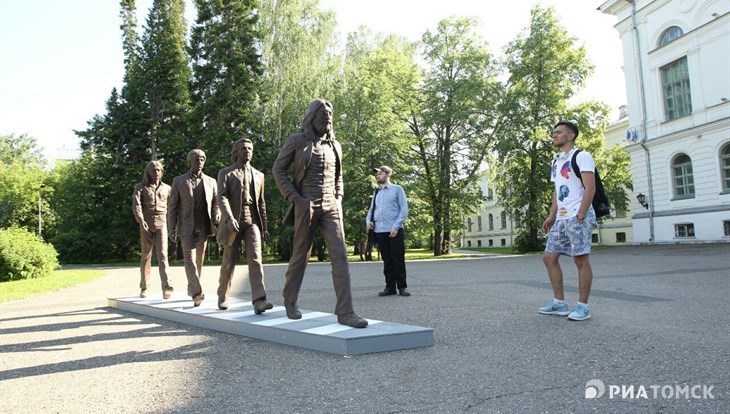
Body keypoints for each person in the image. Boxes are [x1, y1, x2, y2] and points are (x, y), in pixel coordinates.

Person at [273, 99, 368, 328]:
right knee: (300, 255)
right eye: (322, 115)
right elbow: (278, 170)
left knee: (340, 256)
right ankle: (290, 300)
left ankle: (345, 312)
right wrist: (296, 198)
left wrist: (339, 198)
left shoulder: (336, 145)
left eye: (330, 115)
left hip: (331, 205)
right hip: (306, 202)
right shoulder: (297, 141)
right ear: (311, 117)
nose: (327, 118)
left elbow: (339, 176)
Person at [539, 120, 596, 321]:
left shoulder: (582, 156)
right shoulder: (556, 161)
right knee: (549, 257)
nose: (553, 136)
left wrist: (581, 215)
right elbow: (557, 192)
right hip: (562, 217)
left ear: (570, 136)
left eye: (558, 132)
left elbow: (590, 188)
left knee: (580, 260)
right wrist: (552, 215)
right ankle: (559, 303)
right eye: (553, 132)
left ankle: (583, 307)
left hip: (578, 215)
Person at [216, 138, 273, 314]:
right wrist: (228, 217)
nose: (247, 150)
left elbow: (261, 203)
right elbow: (221, 197)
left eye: (249, 148)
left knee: (256, 259)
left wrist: (264, 227)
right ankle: (223, 296)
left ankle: (259, 300)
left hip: (252, 221)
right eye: (243, 148)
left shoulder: (259, 175)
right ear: (236, 152)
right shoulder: (226, 173)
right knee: (229, 261)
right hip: (233, 221)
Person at [168, 149, 220, 307]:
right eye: (197, 159)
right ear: (189, 162)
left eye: (203, 159)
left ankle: (192, 288)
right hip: (186, 225)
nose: (200, 162)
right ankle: (198, 293)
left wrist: (217, 214)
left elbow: (216, 201)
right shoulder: (179, 181)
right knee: (189, 259)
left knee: (199, 260)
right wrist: (171, 228)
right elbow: (172, 207)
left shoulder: (211, 181)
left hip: (203, 225)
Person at [366, 165, 410, 297]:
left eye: (380, 173)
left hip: (394, 230)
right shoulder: (376, 192)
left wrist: (396, 226)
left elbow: (404, 210)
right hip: (380, 230)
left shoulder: (397, 189)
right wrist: (368, 221)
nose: (378, 175)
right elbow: (371, 209)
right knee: (387, 260)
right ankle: (390, 287)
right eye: (377, 174)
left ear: (388, 174)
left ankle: (402, 287)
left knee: (398, 259)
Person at [132, 160, 173, 299]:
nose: (156, 172)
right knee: (146, 255)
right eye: (153, 170)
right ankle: (144, 287)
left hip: (162, 222)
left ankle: (167, 287)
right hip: (146, 222)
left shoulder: (167, 188)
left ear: (162, 172)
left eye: (159, 170)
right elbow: (136, 206)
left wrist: (173, 224)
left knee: (163, 255)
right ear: (148, 172)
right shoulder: (140, 187)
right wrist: (141, 220)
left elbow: (173, 208)